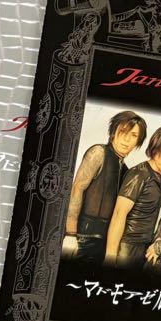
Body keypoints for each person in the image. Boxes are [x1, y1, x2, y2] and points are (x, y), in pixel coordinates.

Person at [63, 111, 148, 263]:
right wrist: (70, 234)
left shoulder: (126, 171)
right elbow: (77, 188)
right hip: (81, 237)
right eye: (123, 131)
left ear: (138, 141)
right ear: (113, 132)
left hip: (103, 244)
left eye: (134, 135)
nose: (127, 139)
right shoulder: (99, 152)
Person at [105, 126, 161, 268]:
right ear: (156, 148)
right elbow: (119, 214)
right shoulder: (139, 174)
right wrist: (110, 256)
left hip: (144, 247)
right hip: (126, 246)